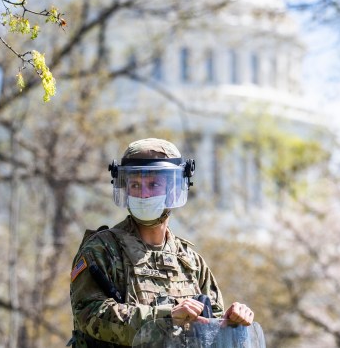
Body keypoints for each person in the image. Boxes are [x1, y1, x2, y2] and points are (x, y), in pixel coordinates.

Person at [69, 138, 255, 347]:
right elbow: (88, 313)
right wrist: (165, 318)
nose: (144, 194)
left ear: (174, 189)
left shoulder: (191, 262)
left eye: (153, 185)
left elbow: (211, 333)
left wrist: (231, 323)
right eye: (135, 185)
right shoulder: (102, 249)